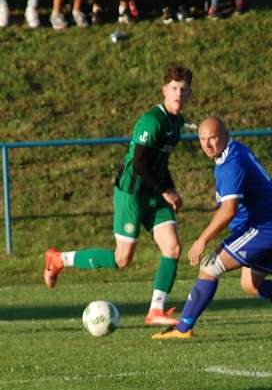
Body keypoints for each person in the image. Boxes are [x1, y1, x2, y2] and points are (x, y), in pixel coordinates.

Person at [153, 117, 272, 340]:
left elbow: (228, 210)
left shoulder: (231, 165)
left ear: (225, 136)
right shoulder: (235, 150)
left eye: (212, 138)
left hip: (264, 227)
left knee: (209, 266)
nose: (207, 144)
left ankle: (183, 327)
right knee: (251, 284)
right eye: (202, 139)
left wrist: (202, 240)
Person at [44, 66, 195, 328]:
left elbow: (159, 162)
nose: (178, 93)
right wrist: (164, 190)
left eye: (183, 89)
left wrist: (171, 189)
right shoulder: (152, 121)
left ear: (190, 93)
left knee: (173, 247)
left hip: (154, 193)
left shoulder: (177, 122)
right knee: (122, 260)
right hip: (132, 193)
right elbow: (139, 163)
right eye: (173, 88)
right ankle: (59, 259)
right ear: (164, 91)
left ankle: (155, 311)